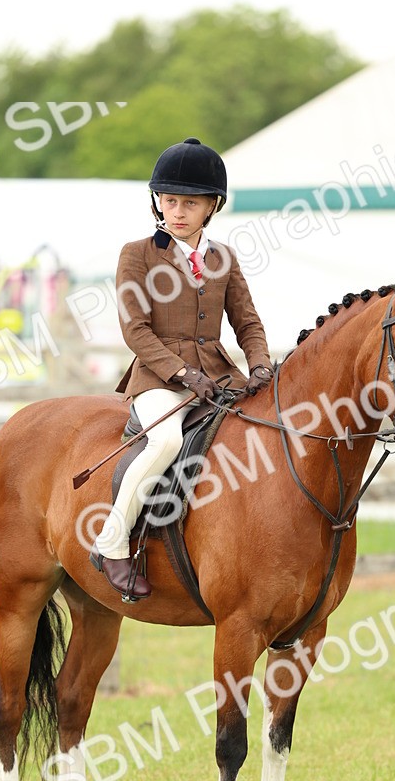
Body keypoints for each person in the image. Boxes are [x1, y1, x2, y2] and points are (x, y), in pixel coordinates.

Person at [90, 137, 273, 600]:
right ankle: (112, 539)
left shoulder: (223, 258)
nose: (177, 211)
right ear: (158, 201)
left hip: (219, 376)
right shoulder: (137, 254)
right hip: (159, 379)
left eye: (189, 203)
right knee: (167, 440)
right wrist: (183, 374)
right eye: (169, 201)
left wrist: (260, 365)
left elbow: (247, 322)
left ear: (212, 206)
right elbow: (135, 329)